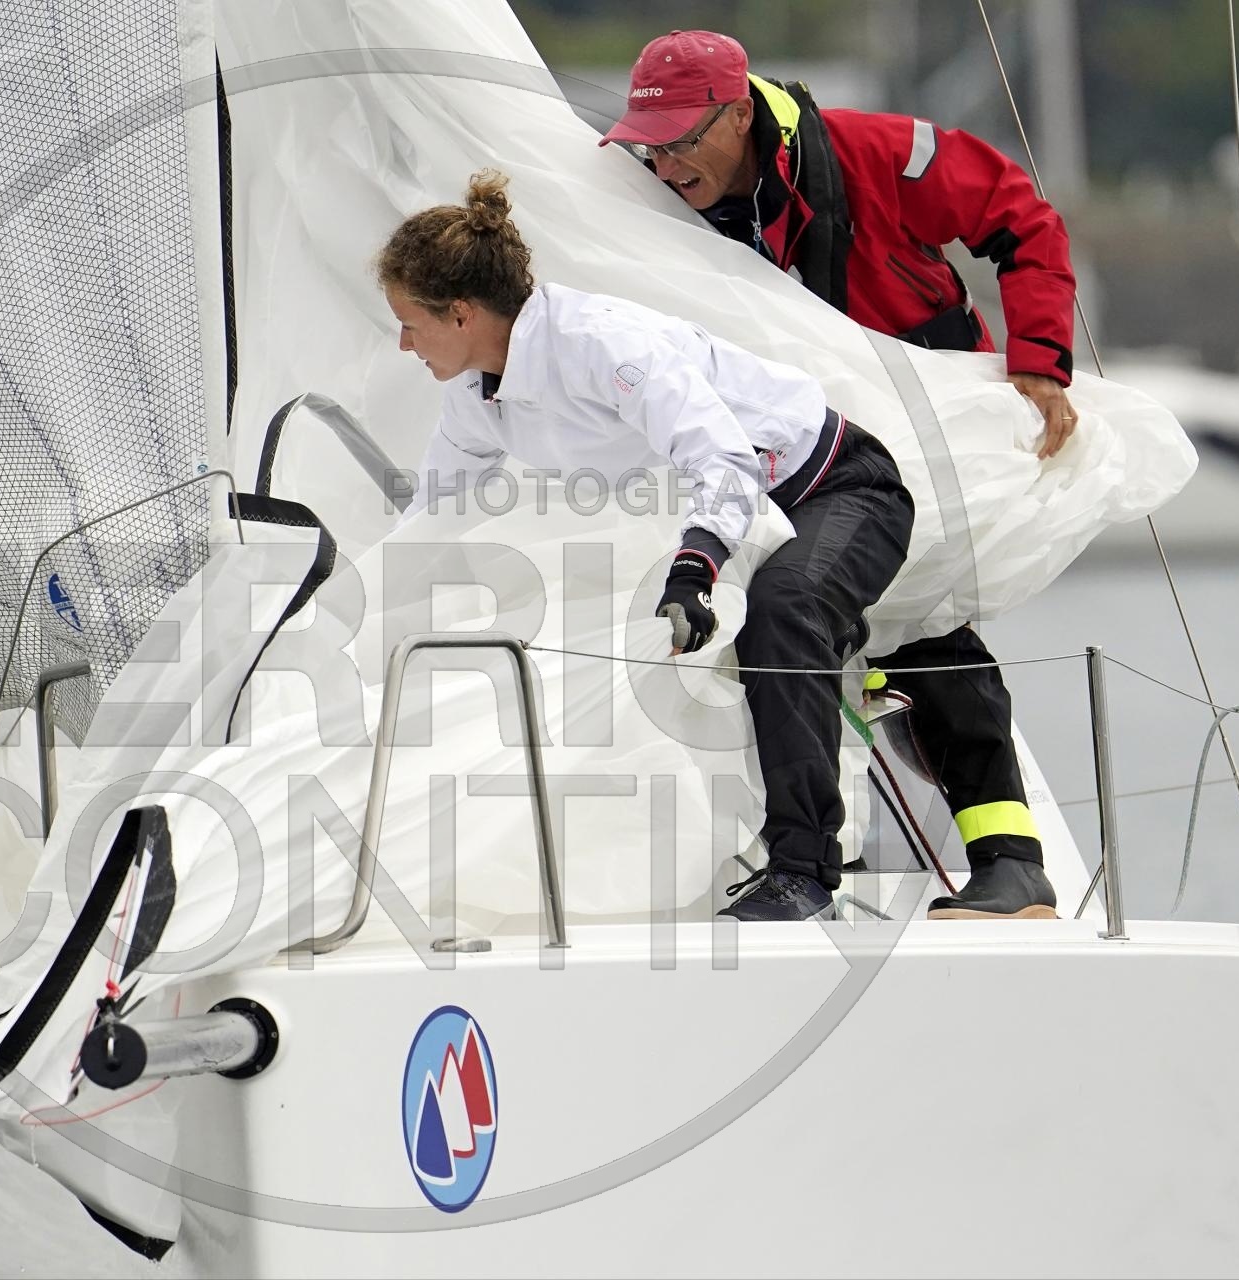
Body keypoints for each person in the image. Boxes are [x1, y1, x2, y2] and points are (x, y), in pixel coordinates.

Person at [601, 30, 1068, 920]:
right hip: (795, 444)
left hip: (923, 425)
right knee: (833, 619)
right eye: (646, 146)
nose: (662, 165)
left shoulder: (873, 153)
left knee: (922, 625)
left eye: (679, 141)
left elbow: (1019, 214)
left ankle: (999, 864)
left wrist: (1041, 357)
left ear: (737, 115)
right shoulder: (655, 197)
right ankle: (917, 860)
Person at [379, 169, 915, 922]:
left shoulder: (600, 345)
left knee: (783, 606)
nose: (404, 343)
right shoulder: (477, 396)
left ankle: (804, 869)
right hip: (733, 516)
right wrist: (354, 600)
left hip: (836, 488)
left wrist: (694, 569)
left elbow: (721, 457)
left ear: (462, 313)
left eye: (410, 323)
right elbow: (430, 516)